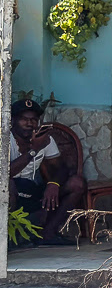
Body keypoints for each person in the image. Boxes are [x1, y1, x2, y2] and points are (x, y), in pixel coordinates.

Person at [10, 99, 85, 246]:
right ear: (13, 120)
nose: (30, 124)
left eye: (34, 120)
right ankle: (9, 240)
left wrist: (53, 184)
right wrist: (34, 150)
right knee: (8, 184)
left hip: (32, 190)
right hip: (11, 192)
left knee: (77, 183)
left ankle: (48, 234)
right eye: (24, 119)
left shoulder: (45, 140)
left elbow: (61, 168)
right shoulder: (6, 139)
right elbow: (5, 173)